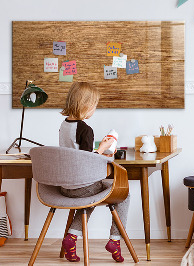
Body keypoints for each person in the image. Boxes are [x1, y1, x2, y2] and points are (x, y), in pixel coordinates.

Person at [59, 82, 129, 263]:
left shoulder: (64, 125)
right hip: (82, 186)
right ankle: (115, 240)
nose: (94, 109)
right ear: (86, 105)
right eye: (95, 105)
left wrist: (99, 149)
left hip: (65, 186)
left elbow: (76, 154)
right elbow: (87, 161)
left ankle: (71, 238)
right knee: (124, 194)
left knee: (89, 197)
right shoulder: (85, 129)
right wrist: (104, 148)